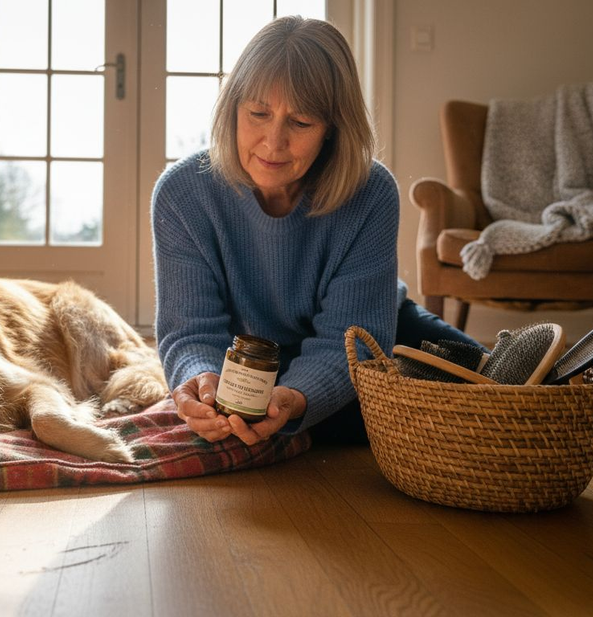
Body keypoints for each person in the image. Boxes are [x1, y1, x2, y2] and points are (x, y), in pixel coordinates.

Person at [151, 15, 483, 447]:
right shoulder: (181, 193)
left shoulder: (371, 192)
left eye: (301, 122)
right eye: (258, 113)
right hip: (249, 361)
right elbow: (191, 331)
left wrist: (298, 396)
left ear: (333, 131)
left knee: (505, 386)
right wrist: (200, 381)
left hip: (375, 333)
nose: (273, 142)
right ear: (232, 109)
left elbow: (352, 336)